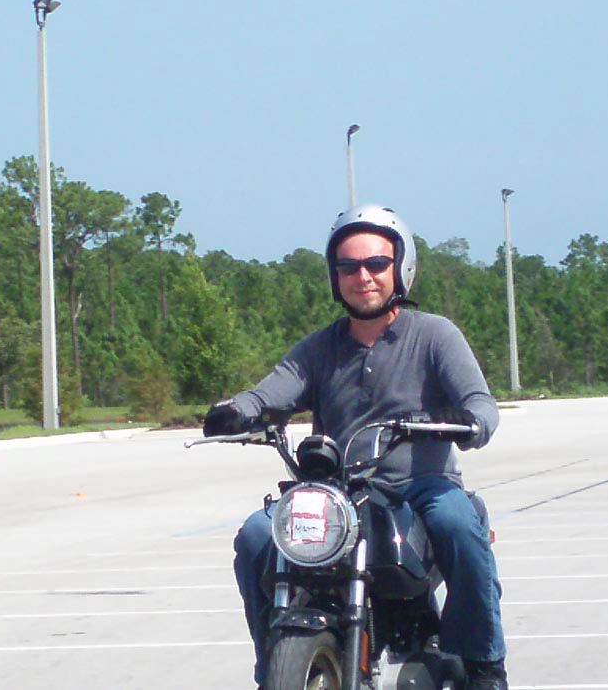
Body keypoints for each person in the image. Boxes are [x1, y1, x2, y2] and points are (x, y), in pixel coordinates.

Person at [203, 204, 508, 690]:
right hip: (338, 493)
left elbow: (480, 402)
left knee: (458, 523)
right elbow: (270, 392)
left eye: (376, 264)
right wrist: (237, 410)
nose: (362, 276)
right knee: (257, 536)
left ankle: (483, 664)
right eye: (348, 266)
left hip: (420, 486)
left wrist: (473, 422)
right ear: (335, 275)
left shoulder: (435, 335)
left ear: (400, 268)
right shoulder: (319, 347)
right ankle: (274, 668)